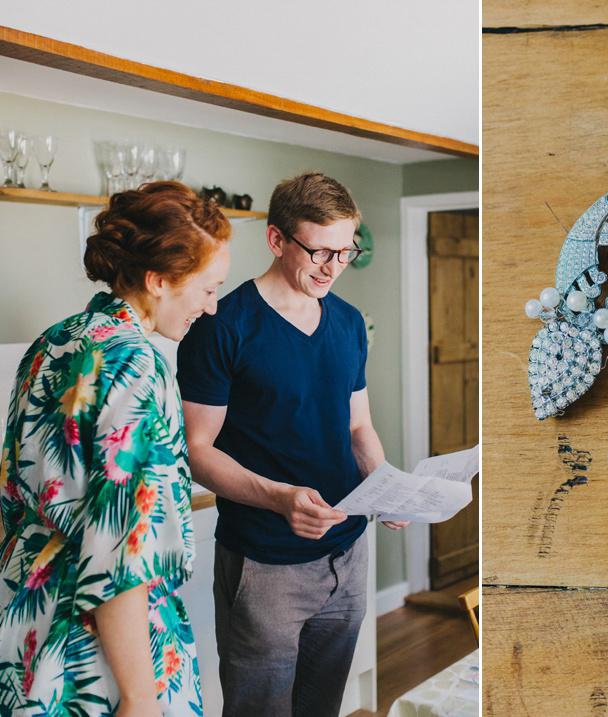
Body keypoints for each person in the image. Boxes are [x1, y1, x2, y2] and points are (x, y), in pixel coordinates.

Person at [177, 172, 406, 717]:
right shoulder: (222, 325)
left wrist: (385, 482)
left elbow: (356, 428)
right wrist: (280, 498)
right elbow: (197, 449)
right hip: (265, 564)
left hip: (348, 555)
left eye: (344, 252)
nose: (332, 268)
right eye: (319, 251)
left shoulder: (349, 323)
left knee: (321, 708)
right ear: (277, 239)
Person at [0, 182, 232, 716]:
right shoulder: (137, 367)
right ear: (157, 281)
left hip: (26, 619)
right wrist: (140, 696)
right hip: (99, 652)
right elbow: (121, 552)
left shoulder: (54, 341)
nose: (212, 307)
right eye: (206, 288)